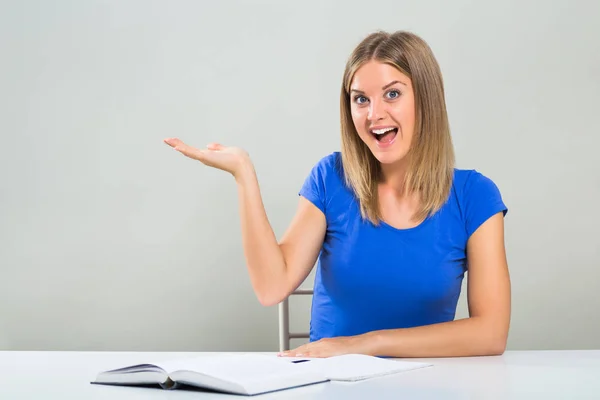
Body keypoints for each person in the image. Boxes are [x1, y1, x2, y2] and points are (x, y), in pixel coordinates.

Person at [163, 30, 510, 359]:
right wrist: (243, 174)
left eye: (392, 94)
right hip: (331, 382)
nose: (375, 114)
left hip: (428, 383)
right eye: (361, 99)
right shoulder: (331, 178)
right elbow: (271, 288)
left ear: (427, 98)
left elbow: (491, 333)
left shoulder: (475, 196)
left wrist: (366, 344)